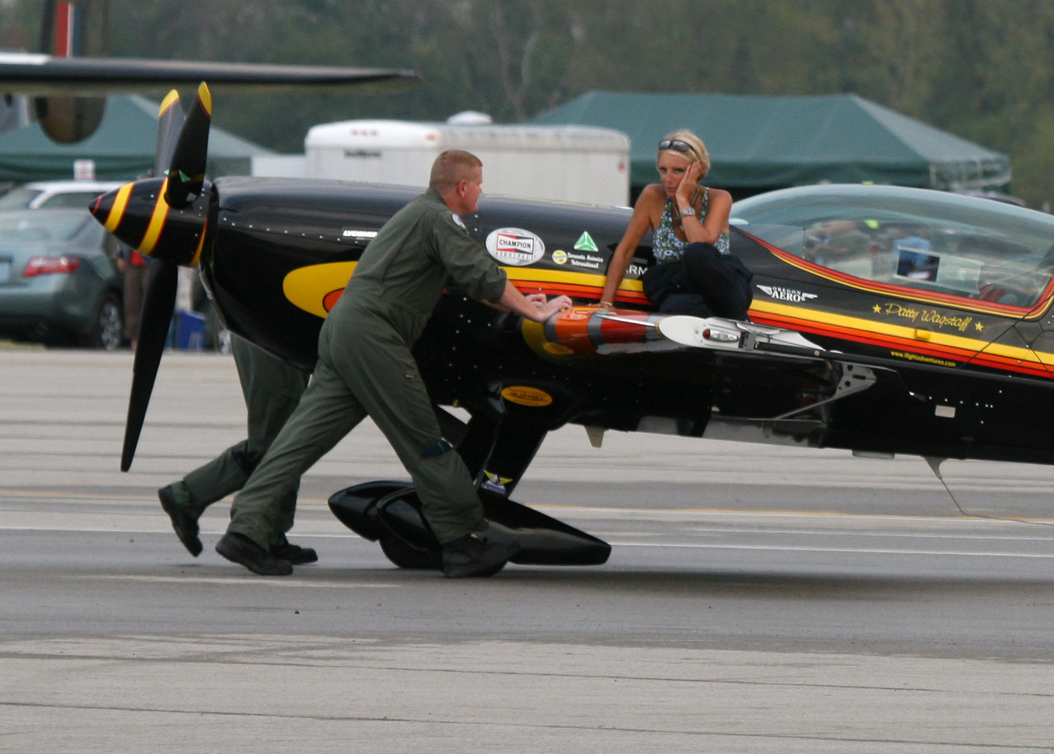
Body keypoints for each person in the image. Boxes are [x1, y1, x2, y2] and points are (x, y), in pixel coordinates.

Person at [213, 150, 572, 578]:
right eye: (478, 184)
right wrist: (536, 315)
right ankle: (460, 541)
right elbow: (480, 273)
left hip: (344, 331)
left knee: (300, 439)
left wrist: (519, 303)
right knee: (424, 438)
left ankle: (247, 529)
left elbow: (465, 280)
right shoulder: (439, 219)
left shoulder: (418, 216)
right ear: (461, 188)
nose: (481, 191)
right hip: (373, 338)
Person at [158, 338, 313, 563]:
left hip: (269, 333)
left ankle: (272, 534)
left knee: (283, 437)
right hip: (274, 336)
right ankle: (187, 496)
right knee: (277, 444)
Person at [597, 130, 752, 319]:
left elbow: (701, 242)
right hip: (681, 290)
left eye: (678, 171)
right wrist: (606, 302)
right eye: (663, 170)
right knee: (677, 307)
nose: (667, 179)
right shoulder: (652, 196)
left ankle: (740, 323)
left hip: (723, 290)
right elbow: (625, 250)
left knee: (696, 253)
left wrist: (682, 200)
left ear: (698, 170)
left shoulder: (718, 198)